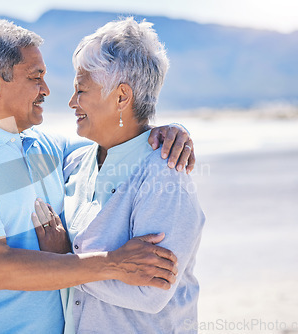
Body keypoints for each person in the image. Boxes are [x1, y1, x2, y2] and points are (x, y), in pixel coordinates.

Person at [0, 19, 194, 333]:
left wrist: (169, 132)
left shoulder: (50, 147)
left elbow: (123, 140)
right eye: (36, 77)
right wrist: (112, 264)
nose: (47, 90)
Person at [30, 17, 205, 333]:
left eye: (81, 90)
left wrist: (63, 262)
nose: (71, 102)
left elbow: (151, 292)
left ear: (122, 97)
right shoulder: (78, 162)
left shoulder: (164, 175)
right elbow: (9, 183)